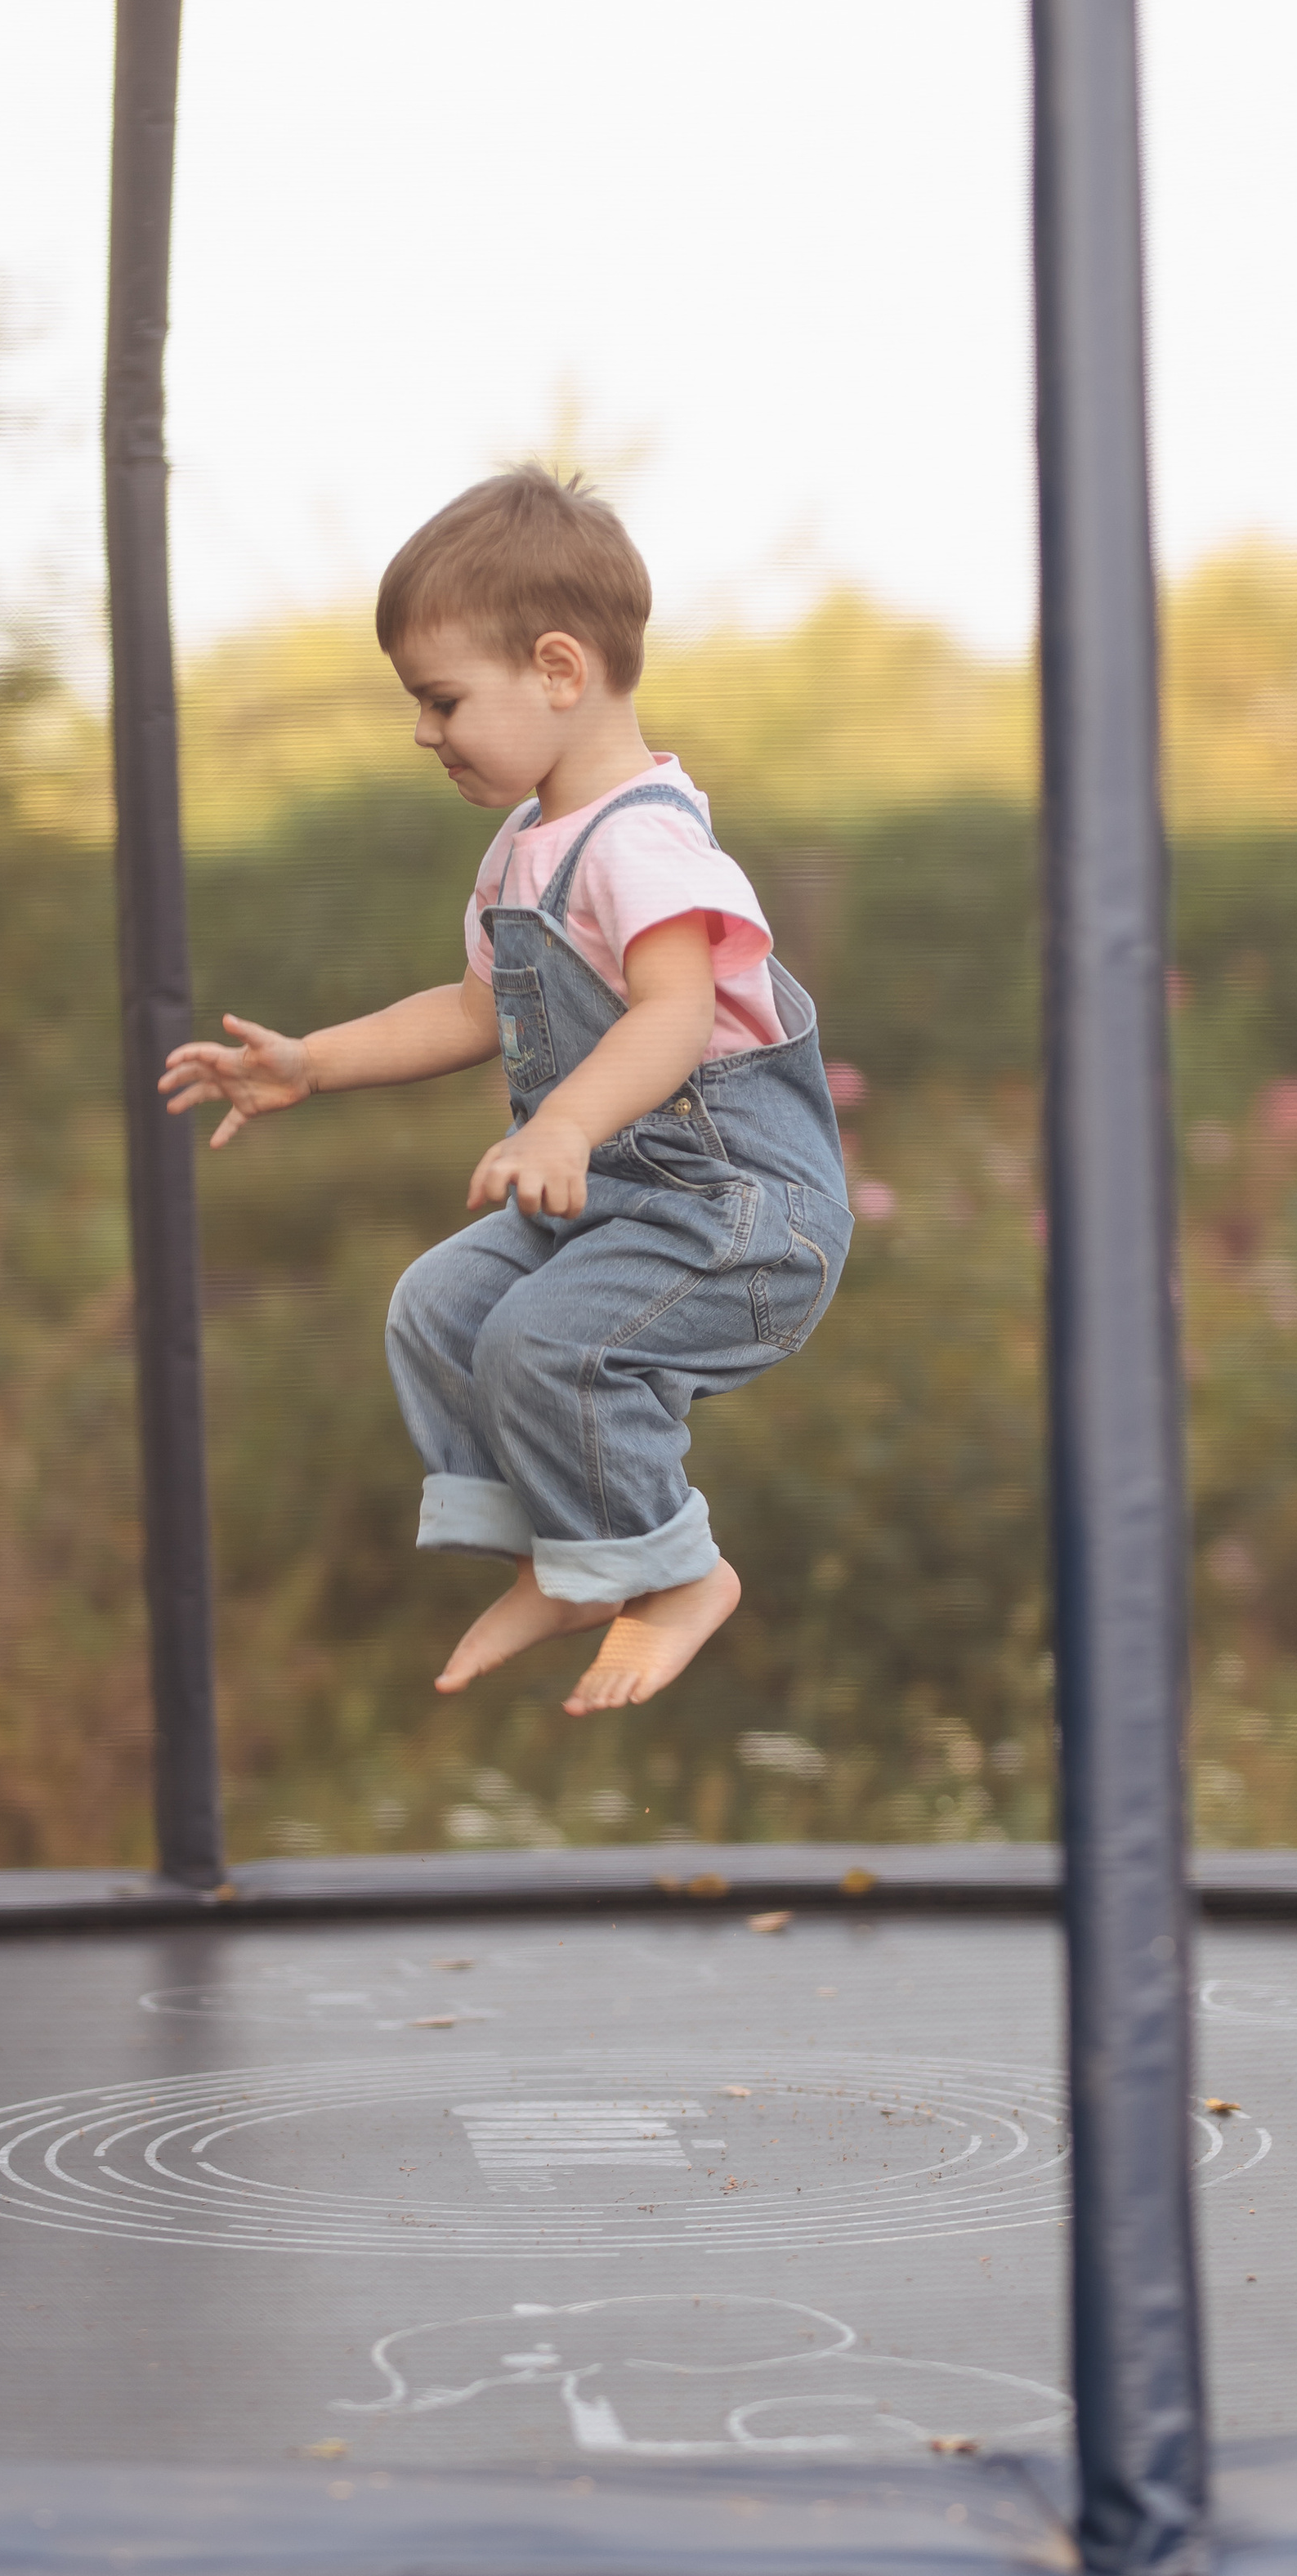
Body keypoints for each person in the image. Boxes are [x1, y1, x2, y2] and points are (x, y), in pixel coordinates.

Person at [159, 465, 852, 1715]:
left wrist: (573, 1122)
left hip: (737, 1212)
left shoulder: (643, 840)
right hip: (620, 1202)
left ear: (558, 670)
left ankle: (673, 1575)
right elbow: (474, 1009)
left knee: (543, 1341)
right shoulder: (526, 850)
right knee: (435, 1308)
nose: (424, 731)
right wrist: (312, 1062)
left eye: (441, 699)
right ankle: (571, 1559)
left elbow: (675, 1014)